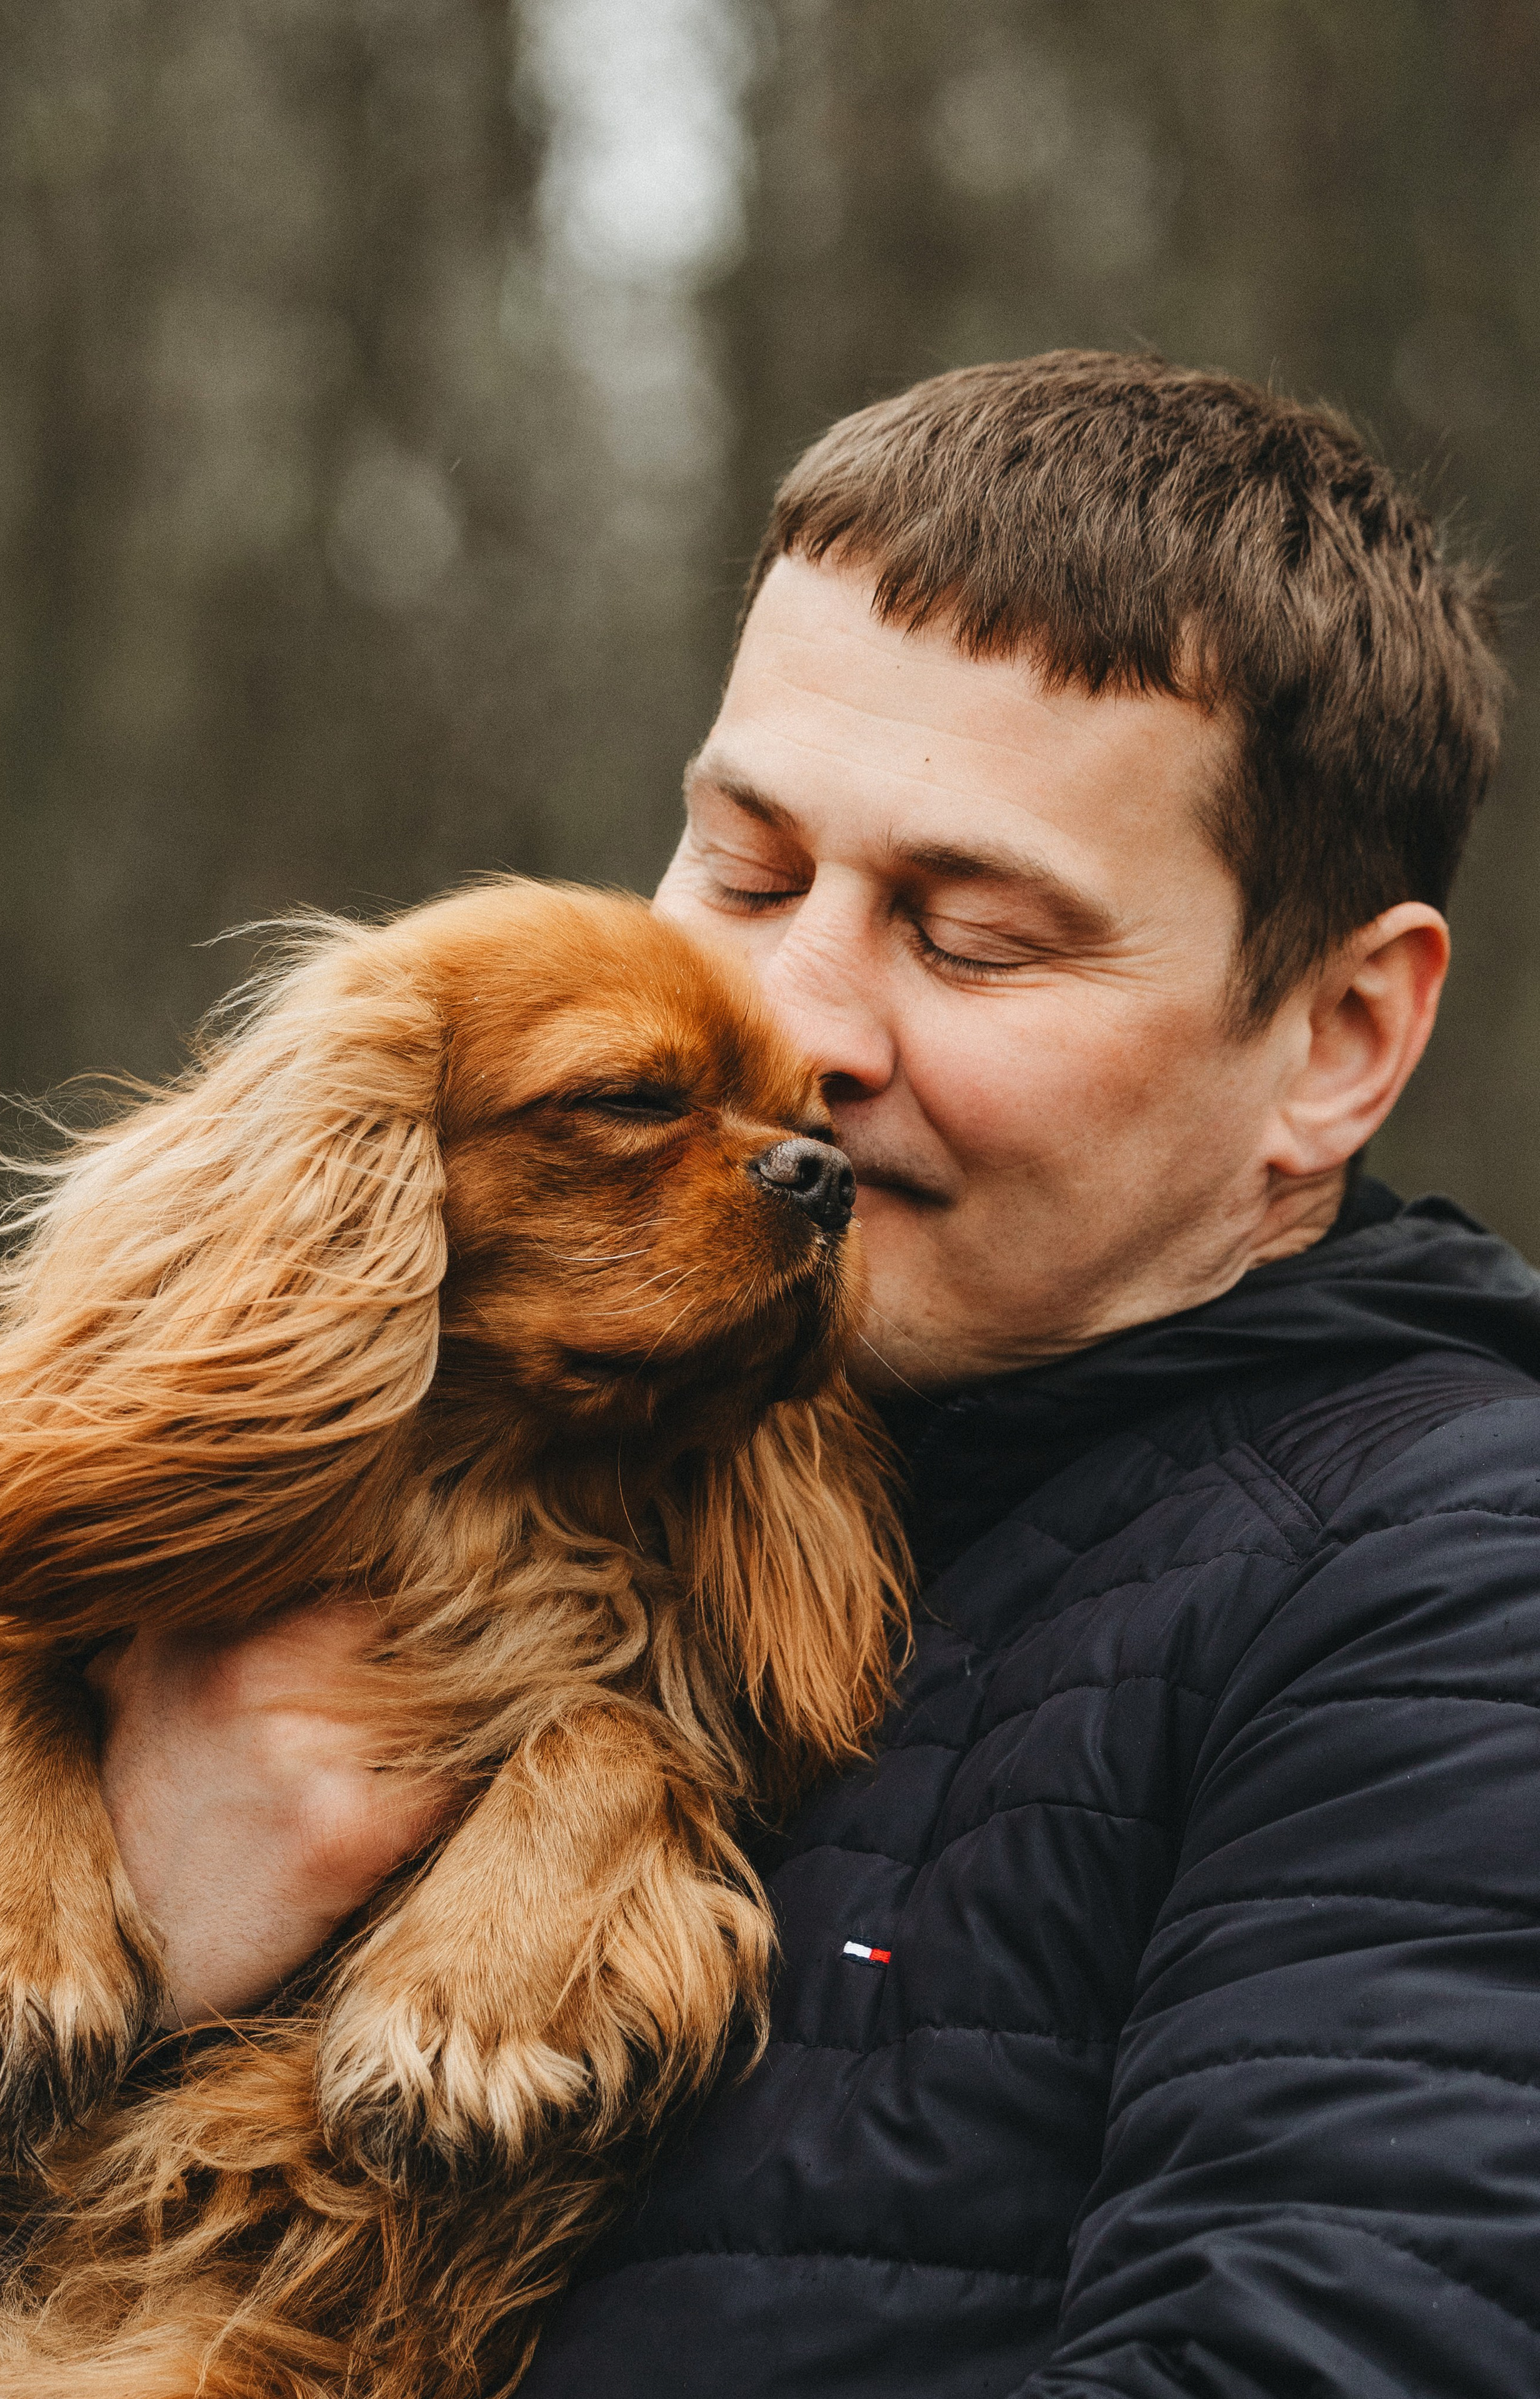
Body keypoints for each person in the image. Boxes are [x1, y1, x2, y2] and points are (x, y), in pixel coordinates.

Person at [96, 353, 1540, 2397]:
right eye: (747, 868)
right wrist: (126, 1917)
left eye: (977, 936)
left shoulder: (1458, 1600)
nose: (797, 1024)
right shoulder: (471, 1417)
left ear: (1339, 1040)